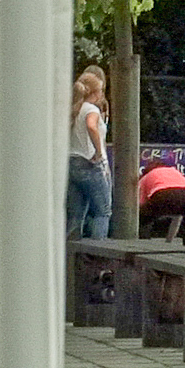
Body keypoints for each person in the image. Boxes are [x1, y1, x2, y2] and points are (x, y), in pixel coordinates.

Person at [66, 66, 111, 241]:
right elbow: (91, 126)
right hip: (89, 162)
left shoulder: (74, 109)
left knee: (76, 213)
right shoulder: (91, 109)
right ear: (95, 92)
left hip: (72, 161)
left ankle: (71, 251)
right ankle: (98, 252)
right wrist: (99, 152)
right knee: (102, 211)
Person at [138, 157, 185, 246]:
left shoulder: (146, 177)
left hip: (164, 193)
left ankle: (143, 244)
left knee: (143, 219)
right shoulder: (174, 171)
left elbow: (141, 202)